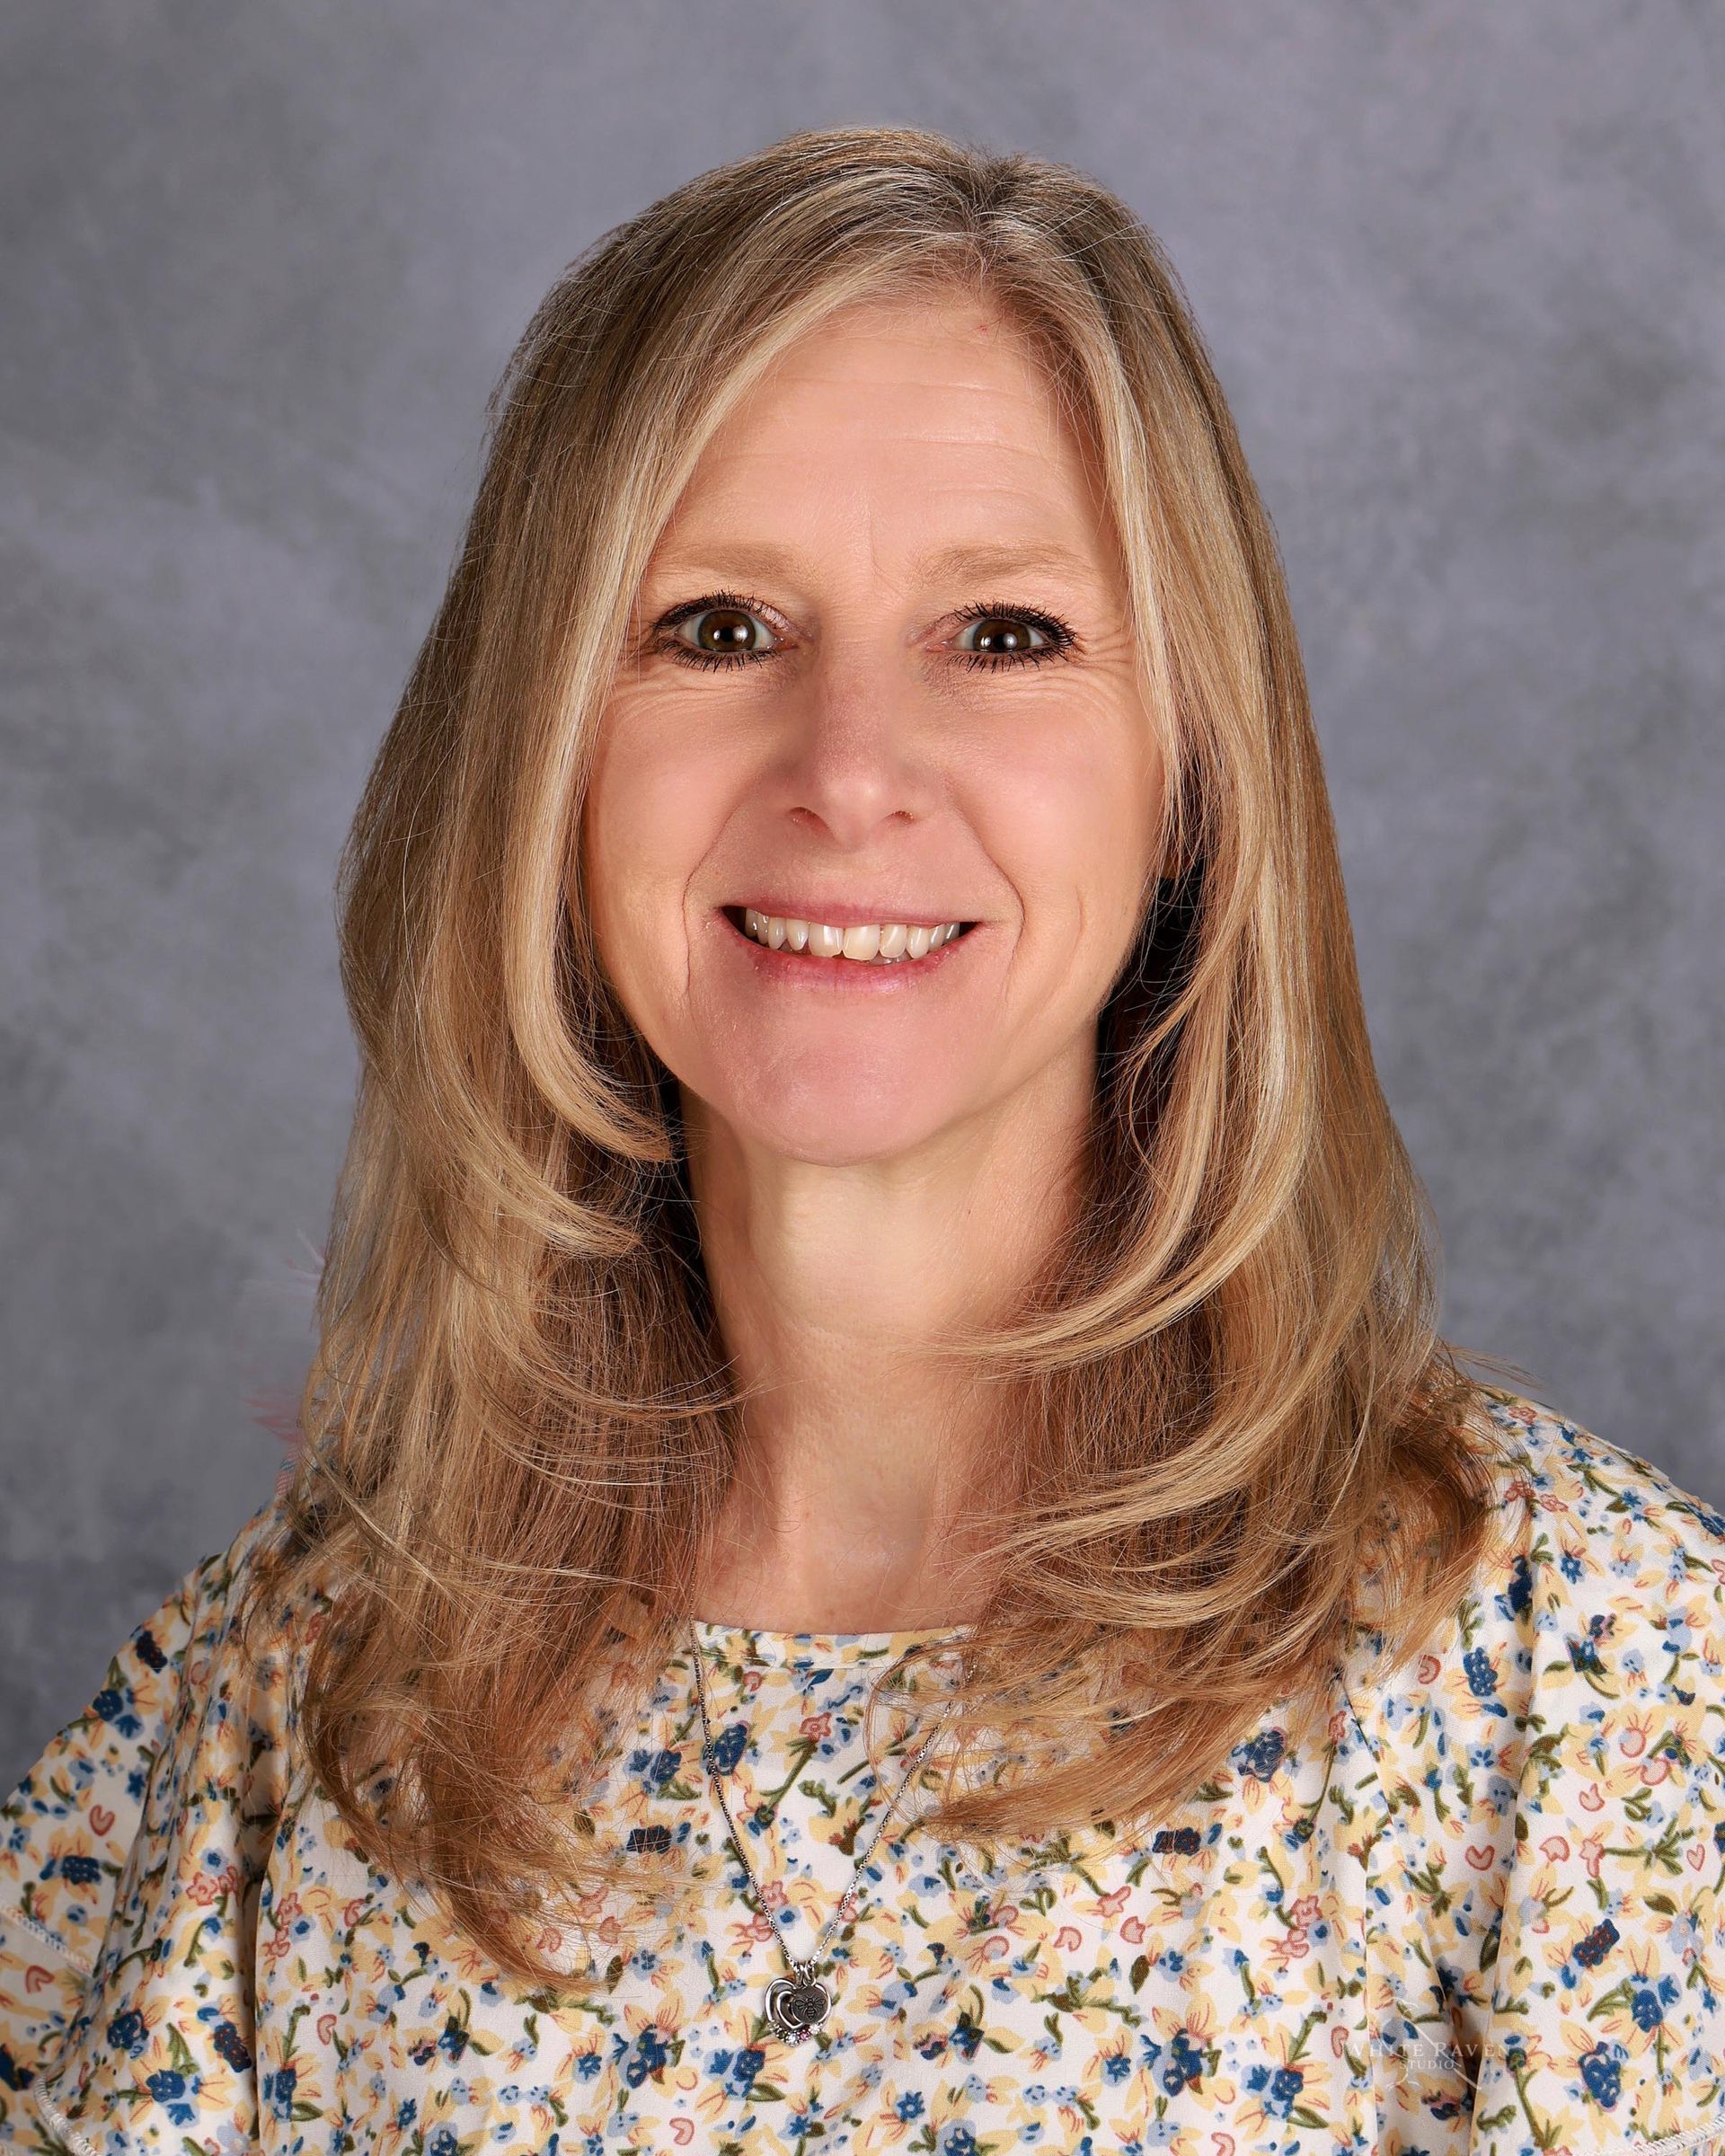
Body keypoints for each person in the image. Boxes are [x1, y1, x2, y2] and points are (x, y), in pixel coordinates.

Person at [2, 124, 1721, 2156]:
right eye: (719, 627)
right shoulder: (297, 1698)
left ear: (1190, 770)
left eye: (1005, 636)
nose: (850, 773)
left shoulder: (1599, 1690)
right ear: (541, 752)